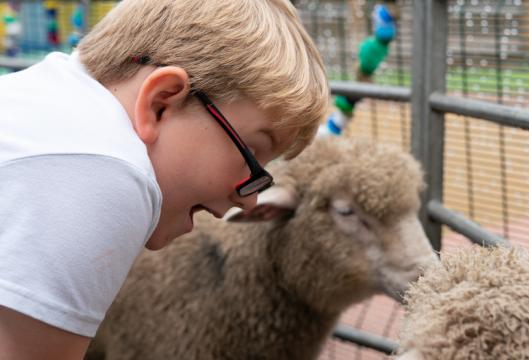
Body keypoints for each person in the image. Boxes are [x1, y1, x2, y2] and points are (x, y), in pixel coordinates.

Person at [0, 0, 329, 358]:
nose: (250, 200)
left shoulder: (47, 98)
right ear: (161, 102)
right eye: (251, 154)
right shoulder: (108, 170)